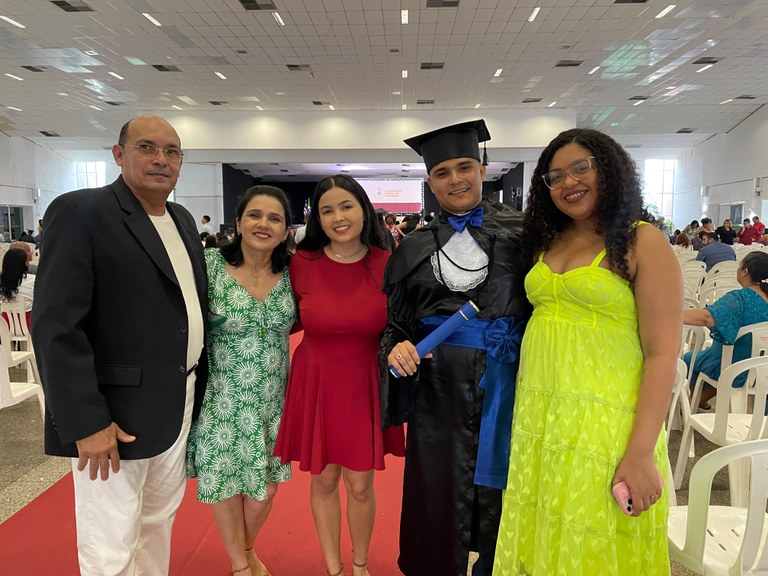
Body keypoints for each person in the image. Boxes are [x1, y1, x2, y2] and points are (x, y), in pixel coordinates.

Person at [494, 128, 682, 576]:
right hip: (541, 417)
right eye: (555, 176)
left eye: (581, 168)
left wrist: (640, 452)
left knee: (592, 540)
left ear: (609, 169)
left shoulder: (641, 241)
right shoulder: (547, 240)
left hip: (606, 420)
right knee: (545, 531)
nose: (569, 183)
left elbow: (662, 355)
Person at [32, 115, 208, 575]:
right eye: (147, 147)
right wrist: (86, 421)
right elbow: (56, 326)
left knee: (157, 522)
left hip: (178, 399)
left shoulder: (182, 219)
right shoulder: (81, 212)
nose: (161, 159)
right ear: (118, 154)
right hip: (114, 413)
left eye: (172, 151)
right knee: (110, 538)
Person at [382, 119, 530, 576]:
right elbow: (396, 324)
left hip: (511, 379)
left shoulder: (527, 233)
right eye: (442, 173)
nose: (455, 179)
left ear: (483, 169)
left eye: (465, 167)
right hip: (438, 388)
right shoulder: (413, 246)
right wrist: (396, 347)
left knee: (508, 486)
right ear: (430, 182)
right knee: (438, 488)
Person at [274, 174, 405, 576]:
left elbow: (403, 322)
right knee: (325, 479)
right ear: (317, 218)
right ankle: (334, 568)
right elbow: (284, 315)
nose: (338, 217)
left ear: (364, 209)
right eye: (327, 210)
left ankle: (360, 565)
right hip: (316, 380)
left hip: (364, 382)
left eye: (346, 206)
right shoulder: (302, 263)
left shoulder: (388, 263)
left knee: (361, 485)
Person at [187, 186, 294, 576]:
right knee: (227, 484)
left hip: (273, 398)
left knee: (266, 489)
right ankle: (240, 566)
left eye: (274, 218)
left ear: (286, 230)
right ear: (238, 222)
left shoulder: (293, 272)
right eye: (255, 215)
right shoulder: (209, 264)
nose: (263, 224)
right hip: (222, 396)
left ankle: (245, 549)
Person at [683, 251, 768, 409]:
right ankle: (699, 400)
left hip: (735, 368)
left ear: (745, 271)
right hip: (763, 370)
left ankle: (692, 403)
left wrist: (670, 313)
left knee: (690, 358)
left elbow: (706, 318)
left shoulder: (740, 298)